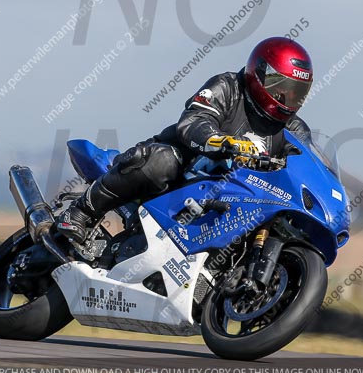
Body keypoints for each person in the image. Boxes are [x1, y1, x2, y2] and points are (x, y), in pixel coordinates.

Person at [56, 36, 314, 246]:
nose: (289, 97)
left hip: (234, 199)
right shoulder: (228, 87)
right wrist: (223, 142)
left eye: (297, 92)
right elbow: (194, 122)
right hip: (184, 173)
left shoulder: (294, 129)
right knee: (162, 162)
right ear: (260, 74)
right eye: (282, 87)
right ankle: (81, 212)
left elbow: (305, 168)